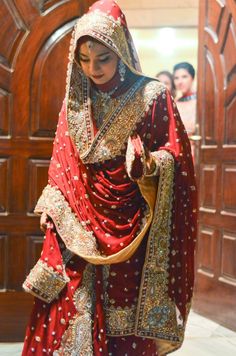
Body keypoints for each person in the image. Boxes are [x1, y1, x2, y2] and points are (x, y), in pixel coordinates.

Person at [22, 1, 197, 355]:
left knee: (123, 316)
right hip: (77, 226)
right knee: (70, 306)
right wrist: (53, 203)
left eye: (103, 57)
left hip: (132, 229)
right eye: (84, 59)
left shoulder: (153, 96)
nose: (93, 68)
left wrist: (148, 164)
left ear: (122, 50)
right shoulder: (75, 103)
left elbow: (176, 158)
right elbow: (62, 161)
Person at [173, 62, 197, 137]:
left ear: (192, 78)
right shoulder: (175, 102)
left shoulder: (201, 101)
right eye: (176, 78)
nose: (180, 82)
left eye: (184, 77)